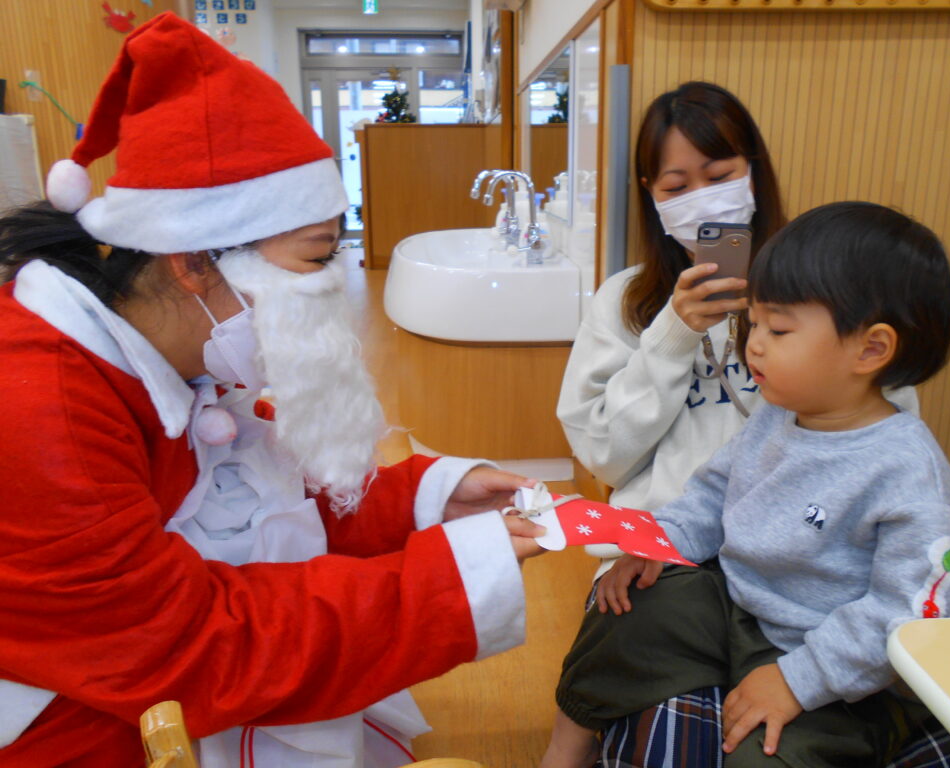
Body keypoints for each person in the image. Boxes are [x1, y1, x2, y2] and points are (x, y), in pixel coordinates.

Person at [0, 13, 545, 768]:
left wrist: (429, 497)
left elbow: (254, 506)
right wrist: (449, 579)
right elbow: (191, 650)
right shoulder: (40, 408)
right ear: (194, 262)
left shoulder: (167, 343)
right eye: (316, 258)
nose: (332, 287)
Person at [541, 201, 950, 767]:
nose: (754, 343)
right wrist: (659, 542)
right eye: (753, 323)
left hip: (845, 668)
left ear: (871, 349)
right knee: (630, 608)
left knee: (767, 755)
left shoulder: (905, 470)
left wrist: (798, 680)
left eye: (778, 329)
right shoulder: (782, 413)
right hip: (743, 605)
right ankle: (567, 748)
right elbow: (711, 495)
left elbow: (906, 616)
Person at [556, 82, 918, 582]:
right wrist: (672, 335)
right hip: (666, 545)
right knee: (635, 654)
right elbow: (605, 458)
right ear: (650, 192)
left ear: (754, 173)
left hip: (806, 547)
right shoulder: (625, 302)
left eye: (721, 176)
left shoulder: (829, 287)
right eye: (677, 187)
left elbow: (888, 421)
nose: (702, 201)